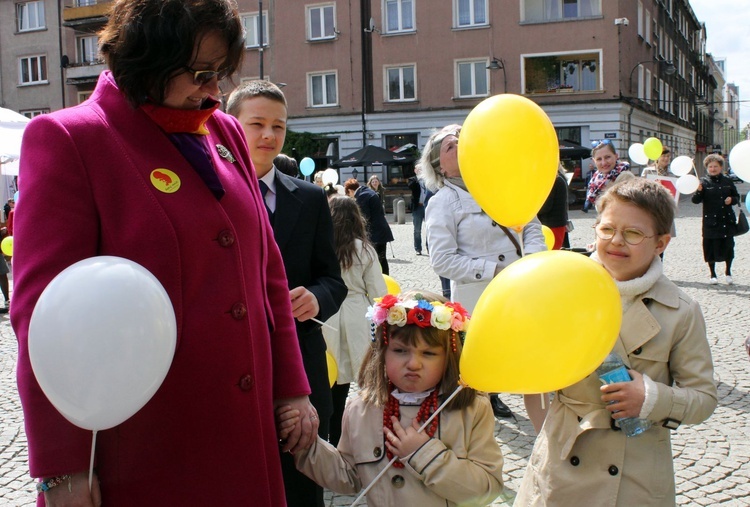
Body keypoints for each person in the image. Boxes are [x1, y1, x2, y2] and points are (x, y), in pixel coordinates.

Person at [12, 1, 316, 505]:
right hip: (144, 446)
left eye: (220, 73)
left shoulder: (222, 132)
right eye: (201, 73)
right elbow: (40, 315)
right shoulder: (70, 139)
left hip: (245, 437)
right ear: (147, 59)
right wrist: (62, 467)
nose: (215, 91)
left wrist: (291, 386)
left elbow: (267, 271)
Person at [516, 178, 717, 506]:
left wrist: (650, 398)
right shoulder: (562, 288)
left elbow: (703, 397)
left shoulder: (681, 311)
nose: (616, 242)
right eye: (607, 229)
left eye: (634, 233)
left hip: (634, 475)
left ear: (662, 243)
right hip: (562, 461)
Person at [227, 79, 347, 507]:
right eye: (256, 123)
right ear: (228, 124)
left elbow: (333, 279)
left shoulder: (311, 198)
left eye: (278, 126)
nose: (268, 135)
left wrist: (317, 298)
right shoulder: (212, 192)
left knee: (301, 479)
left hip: (301, 358)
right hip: (235, 364)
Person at [278, 291, 505, 506]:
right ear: (382, 352)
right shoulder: (362, 410)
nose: (413, 363)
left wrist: (424, 454)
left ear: (449, 358)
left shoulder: (471, 409)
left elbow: (487, 489)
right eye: (400, 350)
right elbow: (347, 476)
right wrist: (306, 444)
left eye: (428, 353)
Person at [420, 124, 547, 424]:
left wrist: (533, 261)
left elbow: (531, 226)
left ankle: (547, 437)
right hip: (481, 301)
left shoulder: (504, 184)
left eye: (465, 139)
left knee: (534, 369)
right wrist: (496, 269)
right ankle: (479, 432)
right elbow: (442, 260)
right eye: (452, 146)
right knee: (482, 371)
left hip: (524, 290)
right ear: (441, 168)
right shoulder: (442, 202)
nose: (462, 145)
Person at [324, 196, 388, 446]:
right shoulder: (363, 248)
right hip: (356, 314)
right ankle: (361, 436)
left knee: (332, 379)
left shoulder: (322, 244)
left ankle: (332, 437)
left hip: (327, 312)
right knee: (363, 377)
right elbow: (378, 291)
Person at [691, 154, 740, 285]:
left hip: (726, 220)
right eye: (710, 166)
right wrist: (699, 191)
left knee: (729, 247)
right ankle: (713, 274)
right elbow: (695, 201)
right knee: (710, 248)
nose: (713, 169)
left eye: (715, 166)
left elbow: (736, 197)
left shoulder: (727, 181)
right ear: (707, 168)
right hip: (711, 222)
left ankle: (728, 272)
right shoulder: (703, 182)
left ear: (721, 167)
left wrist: (732, 200)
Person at [344, 178, 394, 275]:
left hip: (375, 233)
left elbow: (364, 218)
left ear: (350, 190)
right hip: (381, 231)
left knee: (375, 259)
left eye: (348, 194)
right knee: (382, 258)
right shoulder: (367, 191)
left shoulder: (362, 196)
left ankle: (381, 279)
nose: (350, 197)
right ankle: (385, 277)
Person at [583, 141, 633, 212]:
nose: (604, 162)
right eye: (599, 159)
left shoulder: (625, 177)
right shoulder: (596, 180)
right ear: (594, 161)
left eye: (607, 157)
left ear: (616, 156)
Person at [537, 165, 570, 250]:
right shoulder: (557, 178)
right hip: (554, 225)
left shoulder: (552, 180)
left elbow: (545, 207)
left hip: (551, 226)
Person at [408, 168, 428, 255]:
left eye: (421, 168)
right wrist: (418, 178)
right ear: (415, 170)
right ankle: (418, 248)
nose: (420, 170)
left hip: (427, 206)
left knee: (430, 228)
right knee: (417, 229)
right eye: (418, 169)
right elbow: (411, 186)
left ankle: (429, 247)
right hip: (418, 207)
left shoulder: (427, 179)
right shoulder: (413, 179)